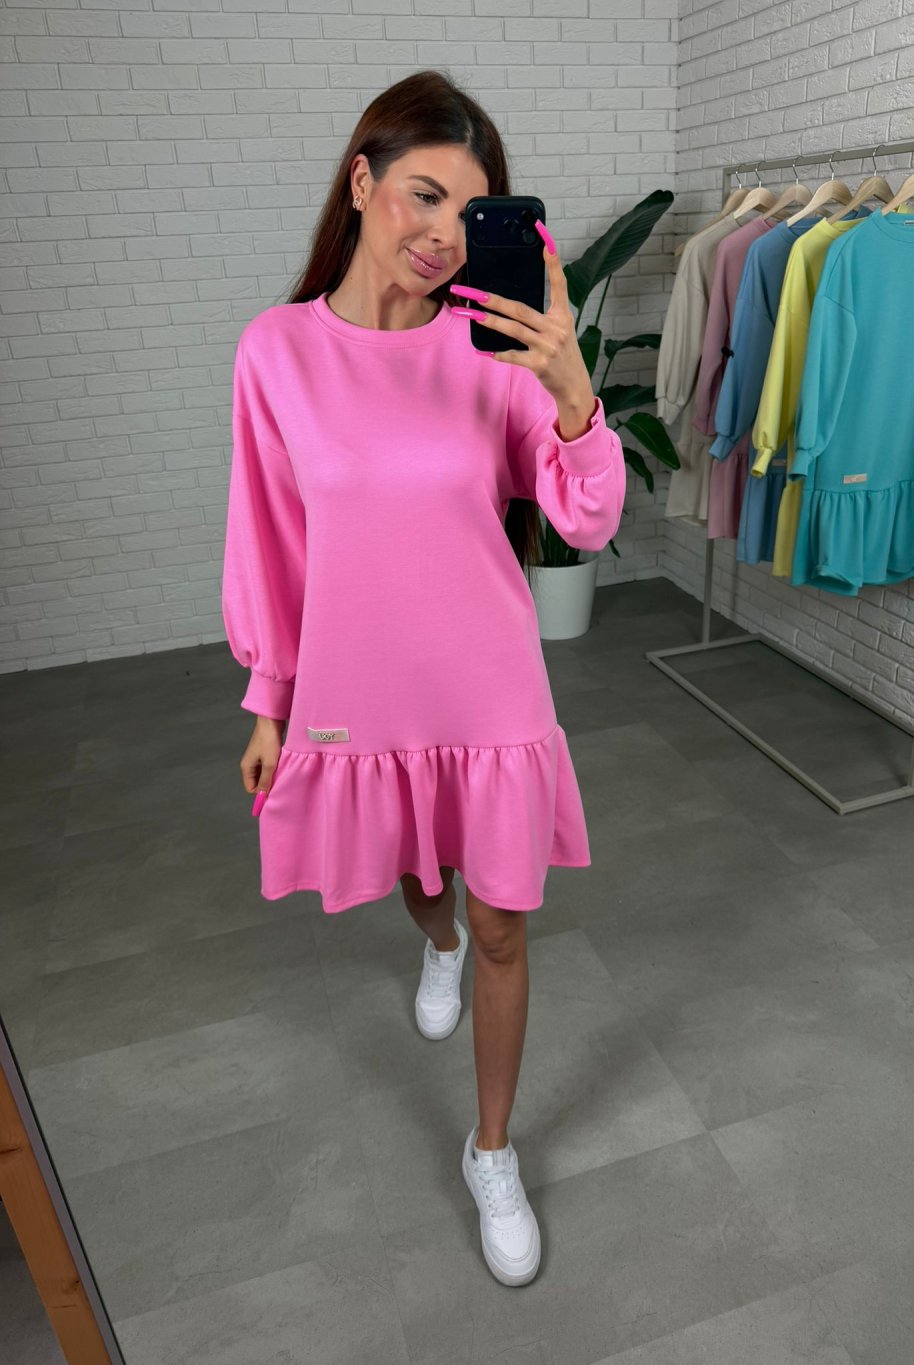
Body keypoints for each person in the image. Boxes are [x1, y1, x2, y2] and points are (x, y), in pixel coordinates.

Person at [221, 69, 626, 1287]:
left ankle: (490, 1146)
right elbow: (269, 541)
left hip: (486, 681)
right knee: (417, 874)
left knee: (507, 922)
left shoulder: (494, 351)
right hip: (358, 689)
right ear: (362, 183)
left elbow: (585, 519)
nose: (443, 232)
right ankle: (431, 940)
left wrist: (570, 391)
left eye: (469, 207)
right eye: (423, 194)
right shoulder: (278, 352)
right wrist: (269, 699)